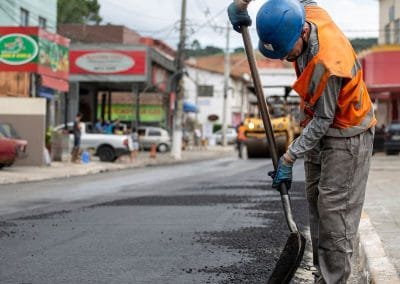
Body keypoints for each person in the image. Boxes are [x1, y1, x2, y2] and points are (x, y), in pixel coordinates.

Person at [228, 0, 376, 283]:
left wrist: (289, 156)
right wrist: (242, 3)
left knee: (335, 213)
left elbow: (324, 119)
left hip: (348, 133)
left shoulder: (327, 62)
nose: (286, 58)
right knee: (315, 201)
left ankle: (334, 279)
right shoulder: (303, 12)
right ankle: (323, 274)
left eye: (287, 52)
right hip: (321, 128)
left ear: (303, 34)